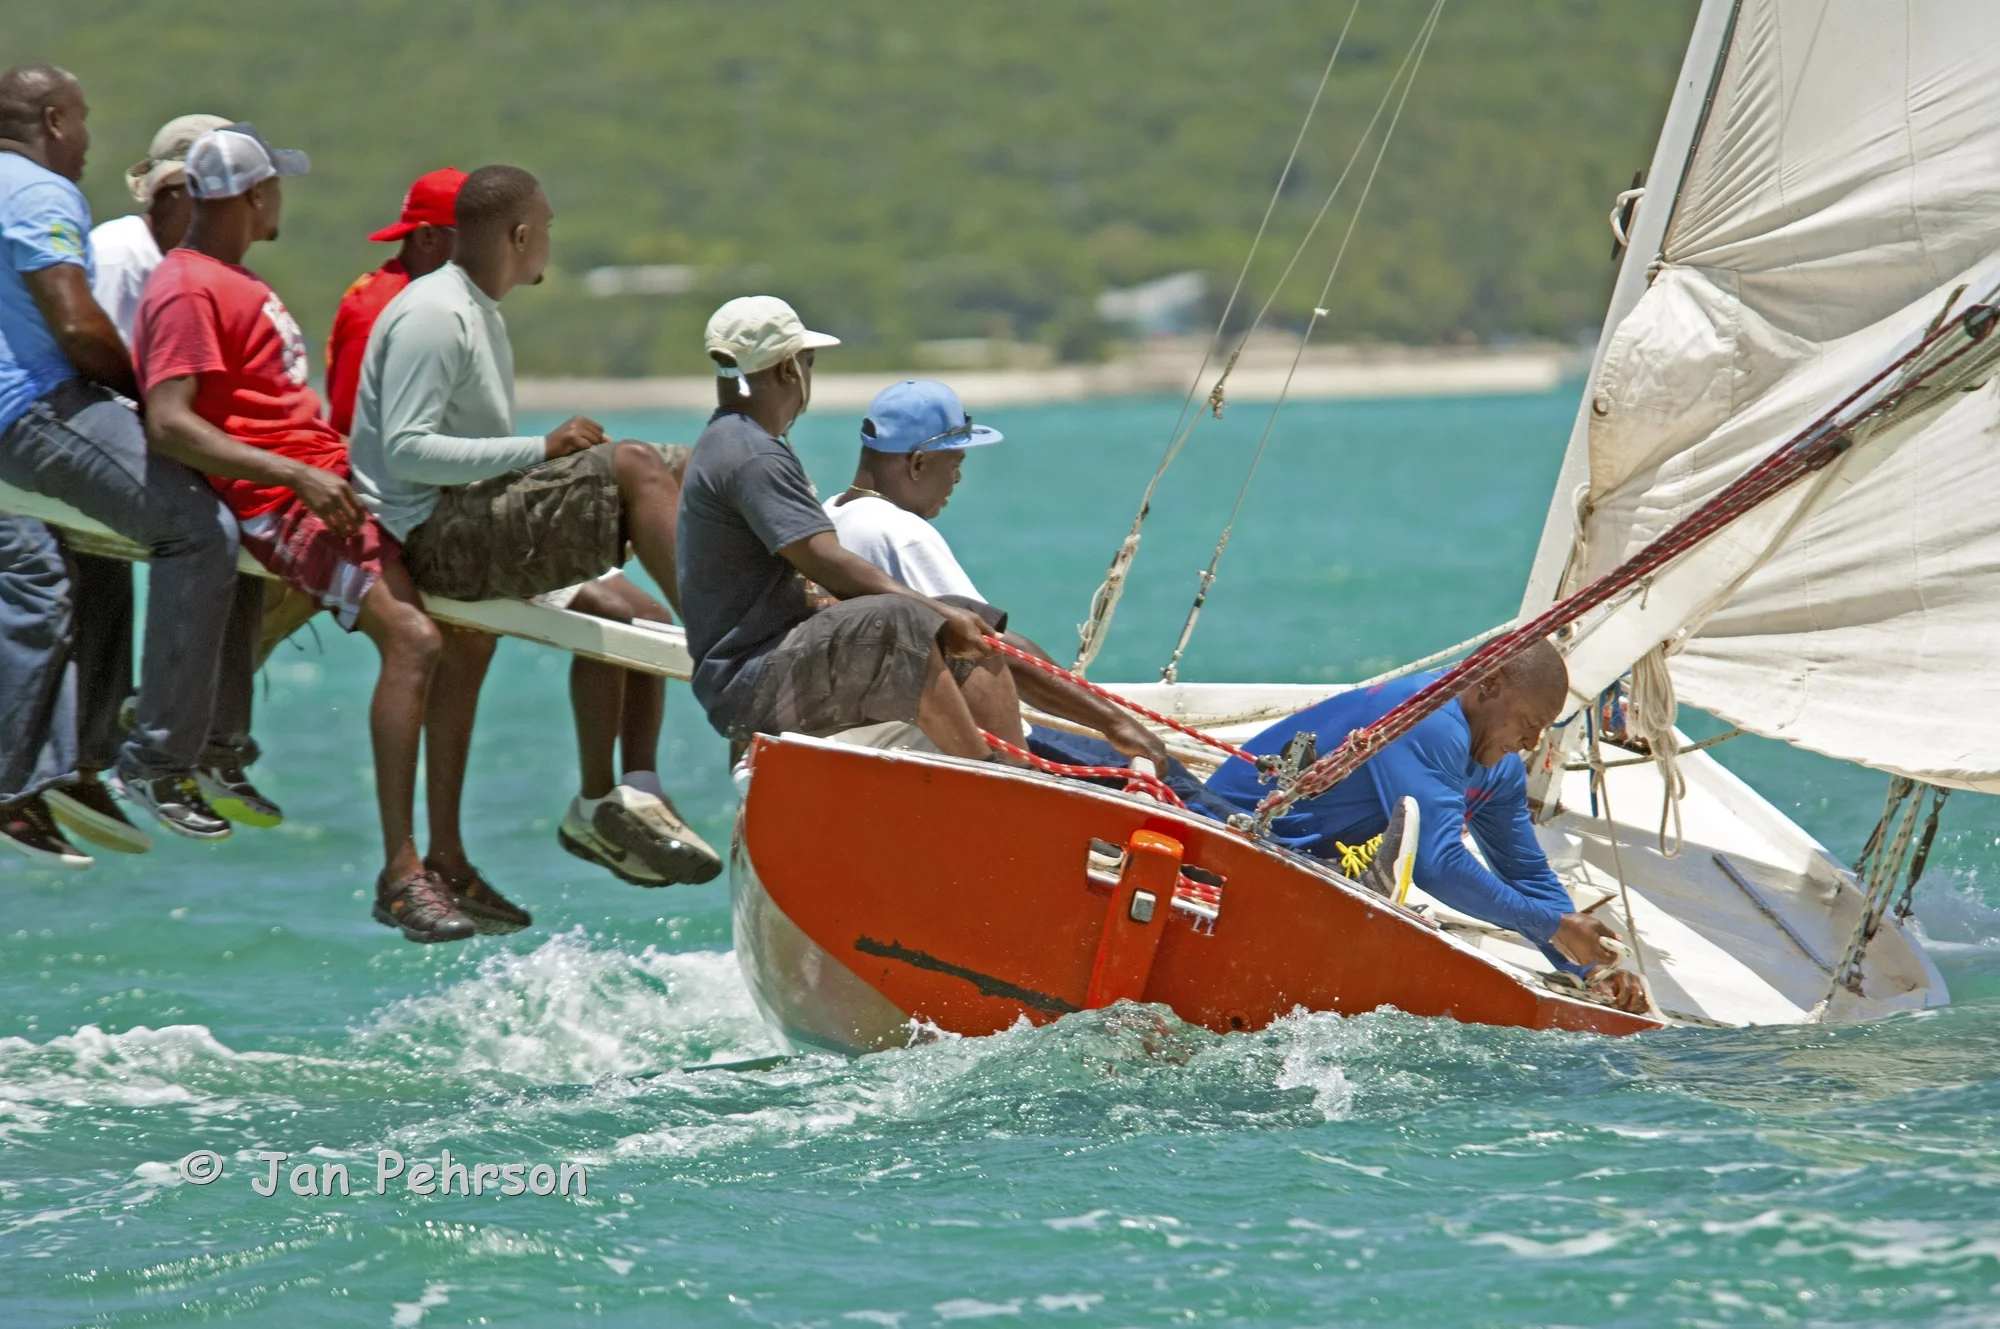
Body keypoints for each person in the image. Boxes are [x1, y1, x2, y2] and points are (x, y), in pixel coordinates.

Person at [131, 122, 474, 945]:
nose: (281, 197)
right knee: (416, 641)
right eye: (274, 185)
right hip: (282, 501)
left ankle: (449, 856)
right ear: (253, 197)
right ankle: (403, 874)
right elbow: (169, 423)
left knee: (468, 617)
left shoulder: (231, 277)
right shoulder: (187, 287)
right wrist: (298, 478)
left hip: (327, 482)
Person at [347, 163, 720, 897]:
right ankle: (723, 647)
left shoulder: (477, 308)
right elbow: (407, 451)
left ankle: (625, 793)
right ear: (520, 235)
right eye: (546, 228)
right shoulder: (436, 313)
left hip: (471, 515)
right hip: (431, 536)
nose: (549, 240)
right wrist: (541, 450)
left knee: (686, 467)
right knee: (638, 464)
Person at [0, 63, 242, 856]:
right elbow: (78, 328)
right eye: (85, 120)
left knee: (50, 576)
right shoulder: (39, 193)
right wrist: (151, 407)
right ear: (58, 120)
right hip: (34, 409)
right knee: (202, 531)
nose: (88, 140)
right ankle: (162, 754)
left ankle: (42, 775)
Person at [1200, 641, 1648, 1013]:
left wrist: (1590, 968)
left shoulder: (1500, 766)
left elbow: (1525, 872)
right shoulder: (1427, 719)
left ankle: (1362, 885)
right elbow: (1438, 865)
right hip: (1227, 834)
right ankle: (1362, 886)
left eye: (1542, 730)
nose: (1531, 744)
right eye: (1529, 724)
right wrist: (1555, 925)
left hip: (1305, 861)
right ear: (1489, 685)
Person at [677, 298, 1027, 761]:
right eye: (807, 362)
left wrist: (944, 614)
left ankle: (1013, 768)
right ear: (788, 370)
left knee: (950, 611)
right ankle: (993, 780)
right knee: (908, 618)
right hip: (750, 682)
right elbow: (823, 559)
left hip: (753, 673)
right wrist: (931, 613)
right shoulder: (752, 453)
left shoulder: (732, 440)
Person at [74, 111, 282, 839]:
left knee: (251, 544)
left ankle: (216, 742)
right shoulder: (121, 252)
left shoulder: (213, 271)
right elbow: (88, 366)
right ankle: (112, 751)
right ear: (173, 193)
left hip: (161, 435)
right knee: (183, 542)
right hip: (107, 431)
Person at [826, 378, 1167, 768]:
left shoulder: (826, 518)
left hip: (862, 741)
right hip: (934, 748)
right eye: (955, 464)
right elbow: (990, 647)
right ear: (918, 463)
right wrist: (1116, 723)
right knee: (1171, 777)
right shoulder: (898, 532)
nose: (957, 479)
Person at [322, 166, 463, 436]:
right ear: (427, 237)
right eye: (474, 238)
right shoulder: (378, 311)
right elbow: (353, 425)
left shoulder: (440, 298)